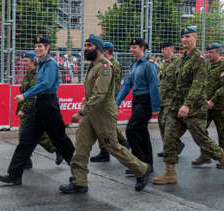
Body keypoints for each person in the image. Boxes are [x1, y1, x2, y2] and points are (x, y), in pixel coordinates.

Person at [59, 34, 152, 194]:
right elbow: (94, 91)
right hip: (91, 114)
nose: (86, 48)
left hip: (103, 114)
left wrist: (81, 112)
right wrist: (86, 102)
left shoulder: (104, 67)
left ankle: (142, 169)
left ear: (99, 48)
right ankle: (79, 181)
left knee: (112, 146)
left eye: (89, 45)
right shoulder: (92, 66)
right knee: (81, 147)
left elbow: (100, 94)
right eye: (86, 45)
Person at [152, 27, 224, 185]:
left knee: (202, 140)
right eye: (183, 37)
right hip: (176, 107)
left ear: (196, 38)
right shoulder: (182, 59)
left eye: (188, 37)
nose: (185, 40)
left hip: (194, 109)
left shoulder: (199, 59)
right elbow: (176, 84)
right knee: (169, 136)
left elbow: (198, 85)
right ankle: (170, 173)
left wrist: (187, 105)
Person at [0, 36, 75, 186]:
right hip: (38, 103)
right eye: (36, 46)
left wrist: (25, 95)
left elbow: (46, 84)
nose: (37, 48)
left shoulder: (50, 64)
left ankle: (79, 172)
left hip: (49, 104)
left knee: (61, 140)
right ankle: (14, 175)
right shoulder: (40, 64)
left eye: (40, 46)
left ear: (47, 48)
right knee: (26, 140)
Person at [116, 38, 160, 176]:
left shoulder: (149, 65)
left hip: (145, 101)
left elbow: (154, 86)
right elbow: (127, 85)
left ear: (142, 48)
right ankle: (147, 165)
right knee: (142, 132)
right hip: (136, 101)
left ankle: (139, 164)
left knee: (131, 130)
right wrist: (117, 102)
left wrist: (155, 107)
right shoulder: (134, 65)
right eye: (131, 47)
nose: (131, 50)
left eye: (134, 47)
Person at [17, 51, 64, 169]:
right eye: (24, 61)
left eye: (26, 61)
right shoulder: (28, 74)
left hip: (32, 109)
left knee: (28, 137)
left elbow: (33, 95)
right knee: (30, 136)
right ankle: (25, 161)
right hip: (30, 109)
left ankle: (58, 150)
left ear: (33, 62)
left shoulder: (36, 75)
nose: (24, 63)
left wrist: (24, 109)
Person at [192, 43, 224, 168]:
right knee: (201, 130)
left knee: (223, 133)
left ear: (218, 53)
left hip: (221, 106)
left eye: (211, 52)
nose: (208, 54)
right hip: (206, 104)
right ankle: (205, 155)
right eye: (207, 52)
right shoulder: (207, 66)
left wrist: (213, 101)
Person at [90, 41, 130, 163]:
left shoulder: (114, 64)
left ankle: (123, 143)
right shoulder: (103, 63)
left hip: (108, 101)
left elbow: (115, 87)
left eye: (101, 50)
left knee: (106, 127)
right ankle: (105, 153)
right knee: (102, 127)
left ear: (106, 51)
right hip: (101, 100)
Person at [157, 42, 185, 158]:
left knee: (169, 125)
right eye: (162, 49)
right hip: (163, 100)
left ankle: (171, 149)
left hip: (173, 100)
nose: (163, 51)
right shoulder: (162, 64)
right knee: (161, 124)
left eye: (165, 49)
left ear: (172, 49)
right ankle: (172, 145)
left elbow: (181, 81)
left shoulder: (178, 62)